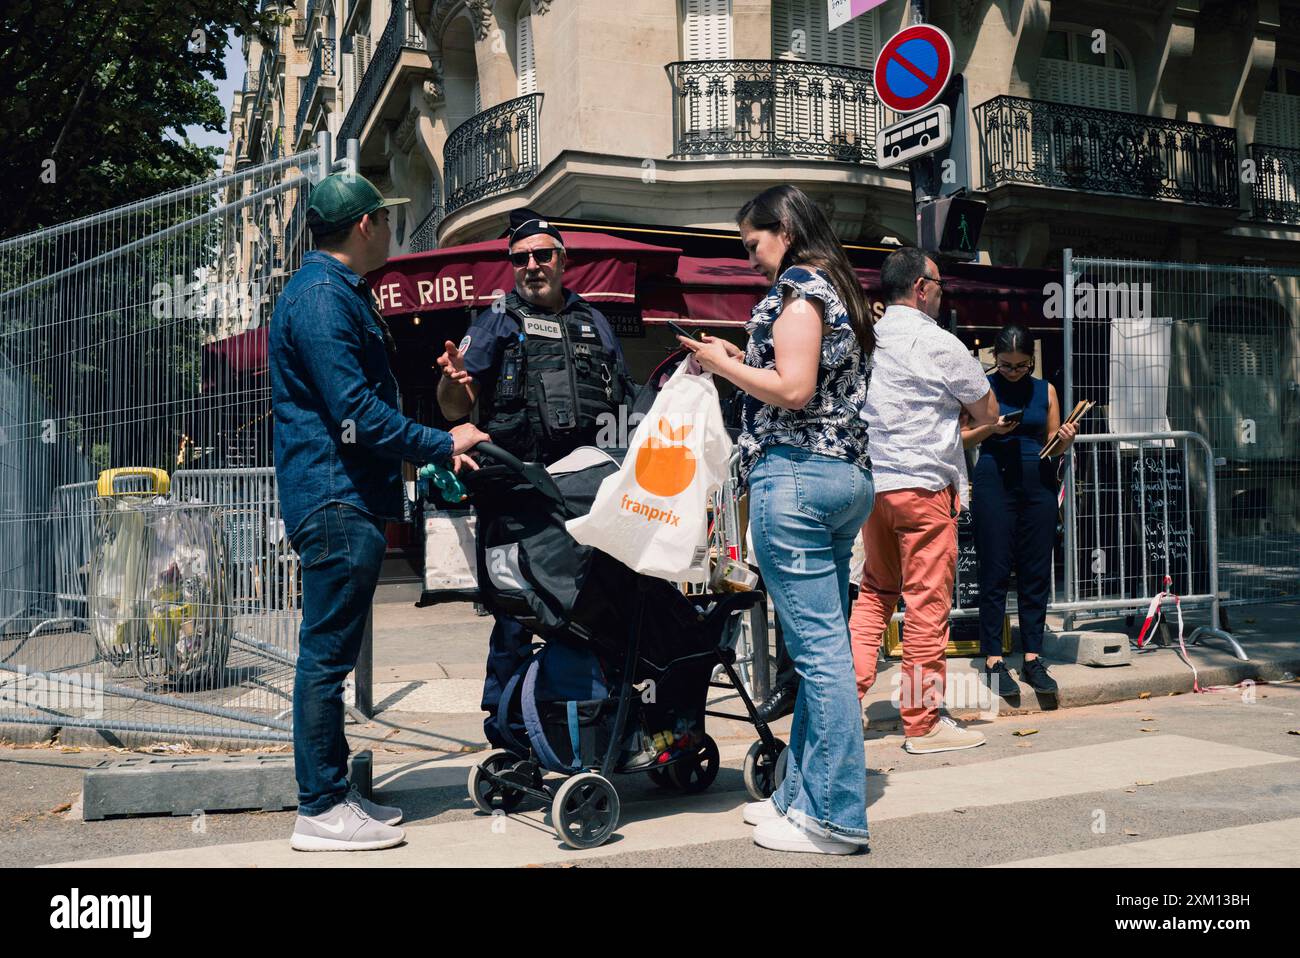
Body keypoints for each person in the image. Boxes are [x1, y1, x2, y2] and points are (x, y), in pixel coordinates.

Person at [270, 172, 488, 851]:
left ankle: (335, 797)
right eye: (387, 220)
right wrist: (440, 442)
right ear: (364, 226)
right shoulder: (321, 299)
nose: (394, 229)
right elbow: (355, 413)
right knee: (325, 658)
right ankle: (320, 809)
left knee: (328, 655)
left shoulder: (332, 294)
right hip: (335, 498)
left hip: (342, 494)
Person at [678, 185, 874, 855]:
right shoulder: (837, 290)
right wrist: (736, 359)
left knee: (820, 659)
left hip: (796, 476)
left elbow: (792, 390)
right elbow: (806, 382)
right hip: (842, 476)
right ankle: (799, 798)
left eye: (754, 244)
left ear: (784, 227)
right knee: (825, 653)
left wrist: (722, 368)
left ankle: (834, 819)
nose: (752, 259)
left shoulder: (799, 294)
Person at [435, 208, 636, 748]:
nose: (531, 265)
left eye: (541, 255)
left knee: (596, 606)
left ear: (562, 260)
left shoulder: (594, 322)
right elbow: (458, 406)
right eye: (520, 258)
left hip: (588, 497)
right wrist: (453, 383)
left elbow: (623, 400)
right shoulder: (497, 320)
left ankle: (595, 719)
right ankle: (509, 730)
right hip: (520, 495)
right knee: (518, 611)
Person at [848, 247, 1000, 755]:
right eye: (938, 285)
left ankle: (844, 707)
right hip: (925, 490)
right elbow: (989, 409)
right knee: (926, 606)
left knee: (874, 594)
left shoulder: (863, 340)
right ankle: (922, 722)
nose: (941, 293)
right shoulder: (940, 342)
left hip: (875, 489)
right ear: (920, 286)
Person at [962, 323, 1076, 698]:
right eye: (1007, 365)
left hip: (1038, 483)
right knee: (994, 570)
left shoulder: (1046, 390)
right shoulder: (982, 387)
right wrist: (991, 430)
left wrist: (1064, 441)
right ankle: (993, 657)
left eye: (1021, 366)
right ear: (995, 358)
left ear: (1031, 361)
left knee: (1035, 571)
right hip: (994, 479)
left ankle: (1032, 656)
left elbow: (1052, 445)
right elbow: (961, 436)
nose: (1013, 372)